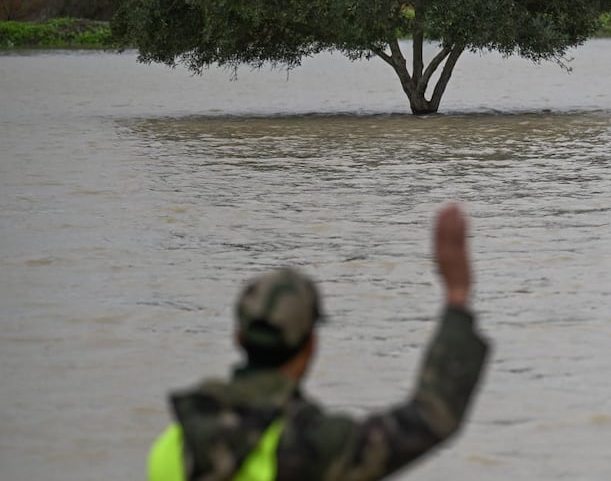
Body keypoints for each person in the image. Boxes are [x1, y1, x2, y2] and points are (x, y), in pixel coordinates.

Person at [146, 204, 490, 481]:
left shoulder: (170, 448)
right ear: (310, 346)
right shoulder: (312, 447)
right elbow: (430, 417)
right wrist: (456, 299)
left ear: (238, 337)